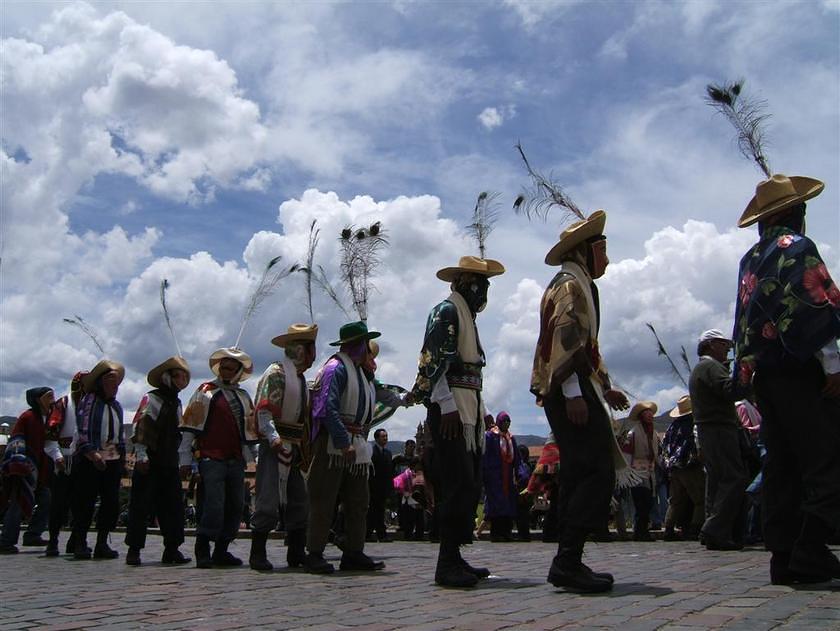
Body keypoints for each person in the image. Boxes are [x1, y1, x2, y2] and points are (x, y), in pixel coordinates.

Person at [732, 174, 840, 584]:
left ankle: (783, 556)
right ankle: (811, 548)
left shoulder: (750, 259)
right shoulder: (798, 249)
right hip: (800, 370)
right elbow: (815, 306)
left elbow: (748, 322)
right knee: (825, 459)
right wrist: (832, 365)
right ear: (797, 214)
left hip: (767, 377)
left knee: (781, 465)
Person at [530, 211, 631, 593]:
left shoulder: (577, 283)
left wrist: (604, 386)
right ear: (585, 251)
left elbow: (585, 348)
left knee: (579, 470)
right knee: (594, 469)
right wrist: (573, 391)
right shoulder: (572, 285)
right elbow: (566, 339)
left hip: (573, 386)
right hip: (568, 389)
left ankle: (568, 558)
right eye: (602, 250)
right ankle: (567, 561)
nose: (606, 259)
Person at [413, 255, 504, 588]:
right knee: (457, 483)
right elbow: (435, 362)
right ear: (466, 284)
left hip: (468, 411)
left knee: (469, 484)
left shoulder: (465, 315)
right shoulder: (446, 311)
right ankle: (446, 563)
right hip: (451, 411)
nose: (484, 292)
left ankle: (455, 554)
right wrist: (447, 405)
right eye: (481, 285)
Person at [305, 321, 385, 574]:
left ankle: (353, 551)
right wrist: (342, 441)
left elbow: (380, 394)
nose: (368, 352)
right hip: (334, 446)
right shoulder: (335, 369)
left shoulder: (362, 374)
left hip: (358, 444)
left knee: (359, 501)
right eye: (365, 345)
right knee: (324, 499)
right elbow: (326, 408)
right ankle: (314, 552)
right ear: (356, 345)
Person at [249, 324, 318, 572]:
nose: (313, 357)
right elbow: (264, 409)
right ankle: (257, 553)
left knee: (300, 499)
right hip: (274, 444)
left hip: (297, 446)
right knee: (268, 497)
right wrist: (273, 436)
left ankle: (296, 552)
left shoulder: (300, 380)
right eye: (310, 350)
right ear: (300, 351)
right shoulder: (276, 374)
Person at [181, 347, 258, 568]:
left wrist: (256, 457)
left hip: (235, 459)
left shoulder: (243, 397)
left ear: (237, 371)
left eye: (230, 368)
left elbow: (249, 431)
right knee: (213, 504)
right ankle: (203, 548)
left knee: (235, 505)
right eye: (223, 367)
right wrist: (185, 459)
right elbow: (190, 426)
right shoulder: (205, 391)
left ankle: (222, 549)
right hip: (210, 457)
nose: (226, 371)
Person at [125, 356, 192, 566]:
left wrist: (182, 460)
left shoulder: (178, 403)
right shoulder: (151, 398)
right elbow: (141, 426)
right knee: (141, 505)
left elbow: (179, 434)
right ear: (168, 378)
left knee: (173, 507)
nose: (183, 380)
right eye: (179, 376)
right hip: (151, 460)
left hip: (169, 461)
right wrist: (142, 454)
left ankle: (172, 549)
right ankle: (134, 550)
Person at [688, 329, 748, 551]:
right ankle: (715, 528)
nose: (727, 349)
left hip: (710, 428)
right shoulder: (711, 367)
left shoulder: (703, 368)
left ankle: (713, 528)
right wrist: (744, 373)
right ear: (712, 345)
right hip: (719, 428)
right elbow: (730, 390)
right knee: (733, 477)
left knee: (717, 479)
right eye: (724, 345)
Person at [72, 360, 126, 560]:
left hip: (112, 458)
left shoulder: (117, 406)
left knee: (111, 503)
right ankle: (80, 542)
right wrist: (91, 452)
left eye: (117, 382)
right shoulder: (90, 401)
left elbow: (119, 433)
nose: (115, 385)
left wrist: (121, 456)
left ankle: (102, 542)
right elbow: (83, 427)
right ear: (101, 382)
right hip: (90, 458)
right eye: (111, 381)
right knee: (85, 501)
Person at [0, 387, 56, 553]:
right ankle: (6, 541)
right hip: (25, 468)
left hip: (42, 470)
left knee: (46, 500)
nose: (53, 399)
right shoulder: (28, 417)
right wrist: (18, 464)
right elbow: (17, 439)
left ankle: (33, 534)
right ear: (38, 399)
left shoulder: (51, 419)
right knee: (18, 504)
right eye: (49, 396)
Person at [45, 372, 85, 557]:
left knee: (82, 503)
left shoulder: (90, 405)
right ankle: (53, 540)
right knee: (59, 503)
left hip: (83, 460)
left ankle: (76, 540)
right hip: (64, 460)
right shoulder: (62, 404)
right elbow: (51, 433)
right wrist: (57, 455)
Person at [661, 396, 704, 541]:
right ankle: (695, 528)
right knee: (699, 499)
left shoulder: (672, 427)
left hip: (673, 467)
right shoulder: (694, 424)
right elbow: (697, 443)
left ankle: (668, 528)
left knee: (675, 500)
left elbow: (664, 446)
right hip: (689, 465)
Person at [621, 402, 659, 542]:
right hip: (637, 470)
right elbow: (627, 454)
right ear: (641, 416)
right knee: (640, 501)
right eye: (646, 413)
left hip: (649, 470)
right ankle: (640, 530)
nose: (650, 415)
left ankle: (643, 529)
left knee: (648, 501)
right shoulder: (633, 433)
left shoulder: (653, 432)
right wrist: (628, 472)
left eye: (650, 413)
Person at [482, 411, 522, 542]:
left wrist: (519, 473)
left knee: (509, 504)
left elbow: (517, 458)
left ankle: (506, 532)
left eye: (508, 421)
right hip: (495, 477)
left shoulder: (511, 438)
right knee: (496, 504)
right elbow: (486, 455)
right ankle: (496, 533)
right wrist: (486, 472)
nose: (506, 424)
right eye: (504, 421)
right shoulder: (490, 436)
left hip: (508, 477)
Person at [367, 428, 394, 542]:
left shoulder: (388, 453)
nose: (386, 439)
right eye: (383, 436)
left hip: (383, 487)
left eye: (386, 436)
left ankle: (381, 535)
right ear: (377, 438)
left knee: (380, 511)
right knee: (371, 511)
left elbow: (390, 471)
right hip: (373, 487)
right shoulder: (372, 452)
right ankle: (368, 534)